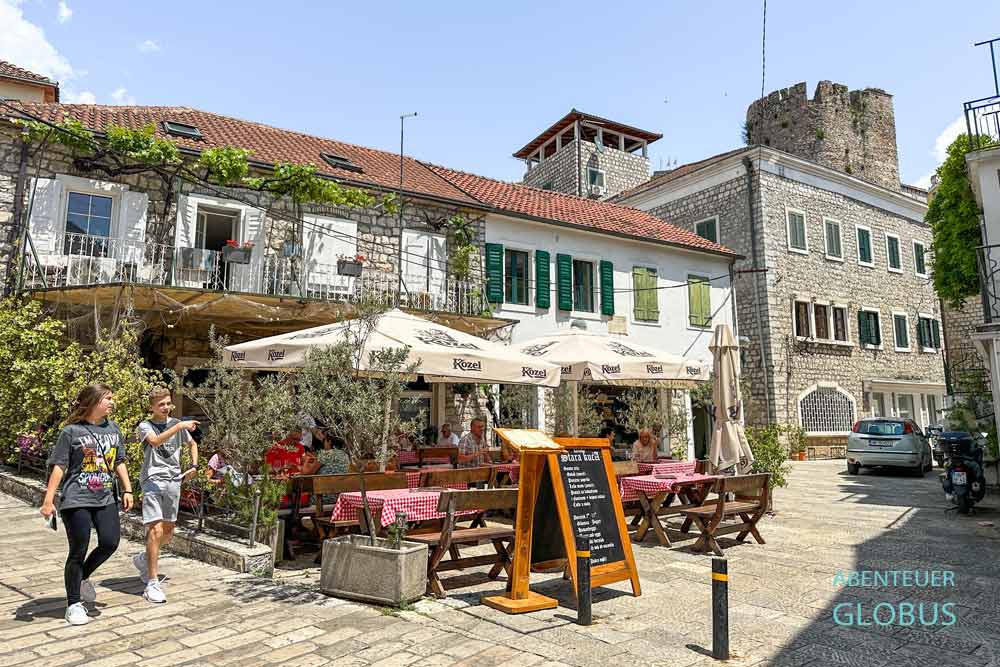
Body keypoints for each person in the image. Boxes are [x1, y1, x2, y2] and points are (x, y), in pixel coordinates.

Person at [41, 384, 134, 626]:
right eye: (108, 398)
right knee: (78, 550)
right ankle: (73, 604)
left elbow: (119, 460)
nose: (112, 402)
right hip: (77, 498)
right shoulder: (71, 432)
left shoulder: (113, 428)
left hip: (105, 497)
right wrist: (49, 500)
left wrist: (128, 489)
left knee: (110, 542)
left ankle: (82, 578)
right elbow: (60, 465)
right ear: (93, 401)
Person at [132, 388, 199, 603]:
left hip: (174, 481)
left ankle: (145, 558)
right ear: (151, 407)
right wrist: (178, 426)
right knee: (155, 529)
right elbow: (155, 441)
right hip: (152, 480)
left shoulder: (177, 424)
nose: (166, 407)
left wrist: (194, 466)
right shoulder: (145, 426)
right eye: (161, 404)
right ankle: (152, 583)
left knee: (168, 533)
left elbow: (192, 443)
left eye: (168, 403)